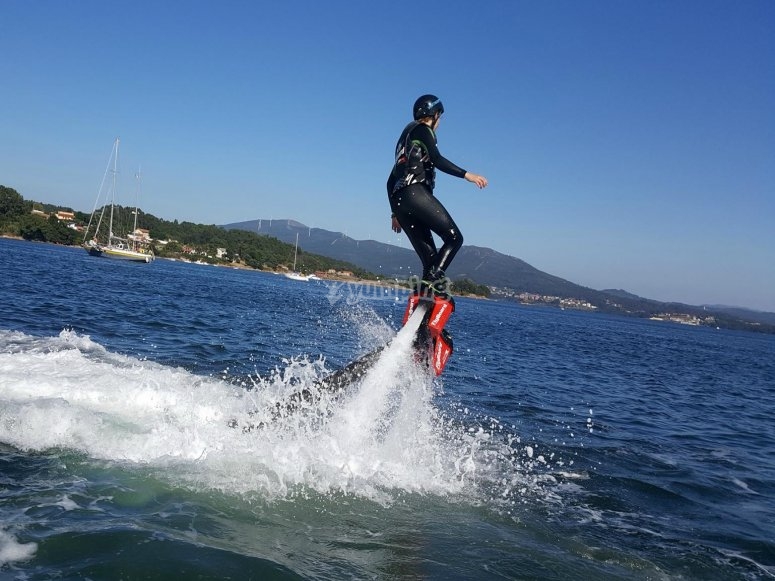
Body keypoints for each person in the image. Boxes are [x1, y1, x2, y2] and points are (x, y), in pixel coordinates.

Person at [387, 94, 488, 298]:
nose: (439, 122)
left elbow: (390, 181)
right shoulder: (422, 130)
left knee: (431, 261)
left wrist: (394, 214)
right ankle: (432, 284)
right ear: (434, 115)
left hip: (400, 201)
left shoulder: (404, 142)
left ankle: (421, 325)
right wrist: (467, 175)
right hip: (415, 193)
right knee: (454, 238)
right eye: (439, 117)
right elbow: (437, 159)